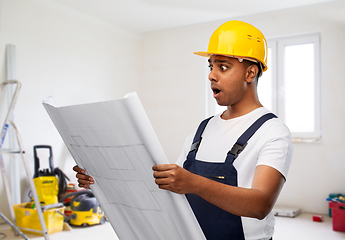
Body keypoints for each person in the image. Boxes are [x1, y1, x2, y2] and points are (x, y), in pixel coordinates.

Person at [73, 20, 293, 240]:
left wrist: (193, 183)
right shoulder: (202, 130)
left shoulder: (272, 132)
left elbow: (260, 205)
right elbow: (167, 191)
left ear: (250, 73)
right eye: (211, 66)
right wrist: (100, 180)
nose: (211, 75)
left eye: (223, 67)